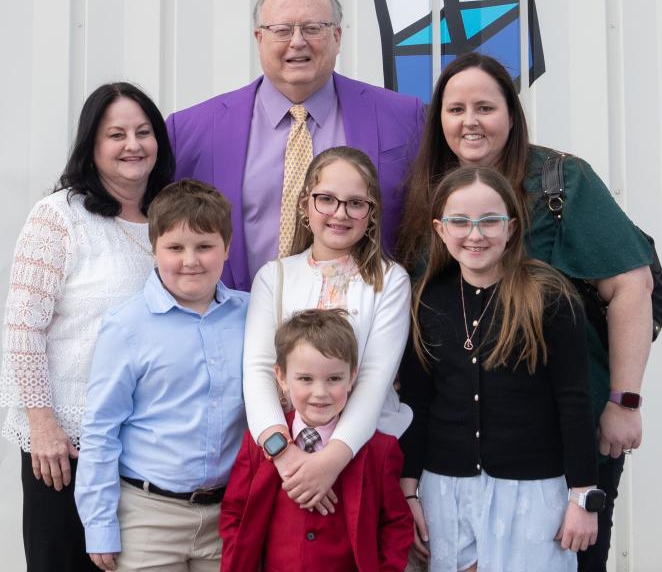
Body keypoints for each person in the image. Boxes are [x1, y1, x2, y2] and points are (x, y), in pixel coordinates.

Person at [396, 53, 654, 570]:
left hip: (567, 433)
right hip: (460, 455)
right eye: (455, 108)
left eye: (485, 107)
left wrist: (623, 401)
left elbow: (632, 284)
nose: (469, 121)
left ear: (511, 115)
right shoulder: (429, 190)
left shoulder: (559, 180)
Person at [0, 82, 175, 571]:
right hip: (68, 440)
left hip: (145, 442)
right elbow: (22, 327)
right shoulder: (59, 217)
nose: (132, 144)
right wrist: (43, 423)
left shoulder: (170, 217)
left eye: (143, 131)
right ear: (92, 146)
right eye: (116, 134)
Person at [166, 0, 424, 291]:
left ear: (338, 37)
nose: (297, 41)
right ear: (259, 38)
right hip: (235, 325)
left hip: (361, 326)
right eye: (282, 30)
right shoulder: (191, 130)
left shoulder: (404, 118)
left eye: (313, 28)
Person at [398, 166, 600, 571]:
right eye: (460, 221)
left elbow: (574, 402)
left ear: (510, 227)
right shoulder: (426, 299)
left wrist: (583, 497)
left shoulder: (548, 296)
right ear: (440, 229)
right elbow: (417, 402)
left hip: (532, 492)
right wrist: (409, 491)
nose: (475, 234)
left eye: (489, 221)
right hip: (446, 488)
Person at [74, 179, 249, 572]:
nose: (191, 260)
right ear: (154, 250)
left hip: (228, 514)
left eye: (204, 246)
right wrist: (100, 523)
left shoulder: (251, 317)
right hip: (148, 515)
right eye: (175, 248)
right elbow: (101, 429)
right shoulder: (127, 326)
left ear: (227, 247)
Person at [242, 146, 412, 514]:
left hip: (362, 453)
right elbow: (258, 370)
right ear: (306, 205)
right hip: (286, 457)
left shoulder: (390, 281)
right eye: (326, 199)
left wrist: (332, 460)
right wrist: (284, 455)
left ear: (371, 213)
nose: (340, 213)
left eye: (355, 203)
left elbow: (373, 378)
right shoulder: (275, 276)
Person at [221, 308, 413, 571]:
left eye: (334, 378)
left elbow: (396, 524)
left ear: (352, 377)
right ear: (281, 377)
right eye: (305, 379)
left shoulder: (381, 450)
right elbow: (234, 513)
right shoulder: (259, 445)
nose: (320, 393)